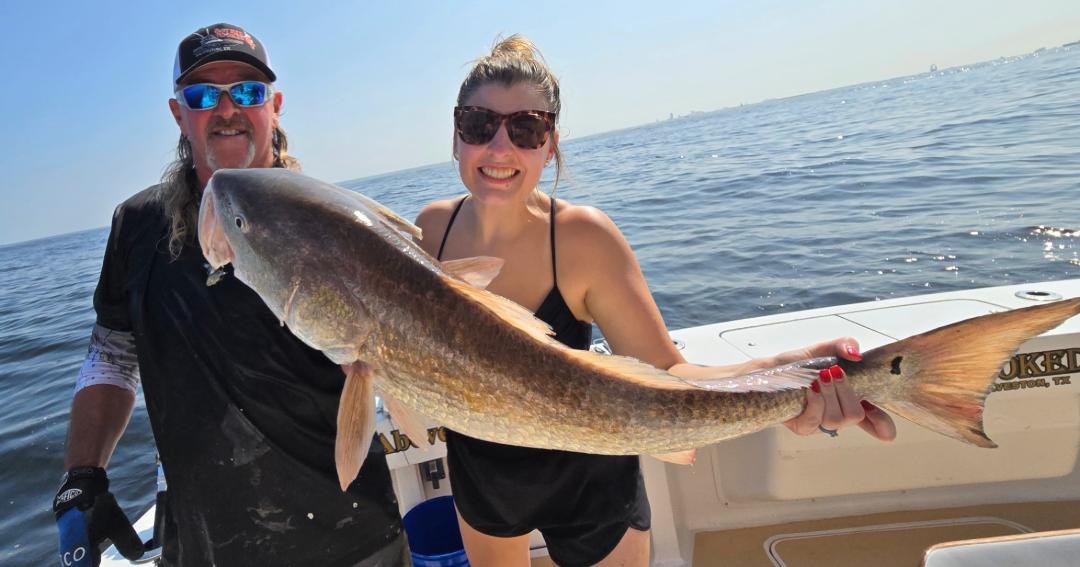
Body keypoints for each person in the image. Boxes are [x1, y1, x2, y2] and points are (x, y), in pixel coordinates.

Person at [414, 35, 897, 567]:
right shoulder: (429, 231)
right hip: (483, 479)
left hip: (591, 488)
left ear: (550, 145)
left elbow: (668, 372)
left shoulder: (583, 239)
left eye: (526, 128)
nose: (500, 148)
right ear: (457, 136)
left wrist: (787, 373)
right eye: (480, 125)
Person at [53, 23, 407, 567]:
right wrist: (84, 475)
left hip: (350, 535)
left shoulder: (333, 227)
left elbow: (394, 362)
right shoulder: (137, 225)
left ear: (274, 105)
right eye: (202, 95)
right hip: (202, 544)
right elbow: (112, 355)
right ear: (178, 113)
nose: (227, 109)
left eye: (247, 92)